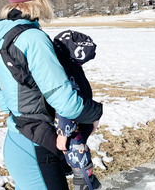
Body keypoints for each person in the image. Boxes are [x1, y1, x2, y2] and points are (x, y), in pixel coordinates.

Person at [0, 0, 103, 190]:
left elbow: (4, 101)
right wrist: (96, 112)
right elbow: (67, 104)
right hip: (37, 148)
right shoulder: (33, 39)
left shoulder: (5, 36)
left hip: (17, 140)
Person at [53, 30, 101, 190]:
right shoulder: (68, 68)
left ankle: (84, 179)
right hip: (75, 121)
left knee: (76, 149)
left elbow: (67, 102)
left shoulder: (66, 67)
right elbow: (67, 101)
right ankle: (84, 179)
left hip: (76, 121)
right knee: (77, 150)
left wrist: (64, 132)